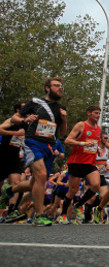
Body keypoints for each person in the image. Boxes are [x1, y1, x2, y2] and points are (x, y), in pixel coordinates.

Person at [9, 77, 67, 226]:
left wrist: (64, 119)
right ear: (47, 88)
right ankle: (39, 215)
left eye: (61, 86)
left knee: (35, 182)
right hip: (33, 142)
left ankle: (10, 190)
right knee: (41, 176)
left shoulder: (61, 108)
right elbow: (14, 118)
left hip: (49, 146)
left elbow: (61, 133)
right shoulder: (35, 102)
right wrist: (25, 120)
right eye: (56, 85)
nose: (60, 88)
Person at [59, 105, 103, 224]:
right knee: (73, 190)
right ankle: (63, 215)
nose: (98, 115)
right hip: (76, 161)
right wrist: (83, 143)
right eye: (95, 113)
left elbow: (93, 142)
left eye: (99, 113)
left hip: (90, 162)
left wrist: (97, 148)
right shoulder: (81, 125)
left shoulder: (98, 129)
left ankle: (79, 205)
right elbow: (68, 140)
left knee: (95, 185)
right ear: (88, 113)